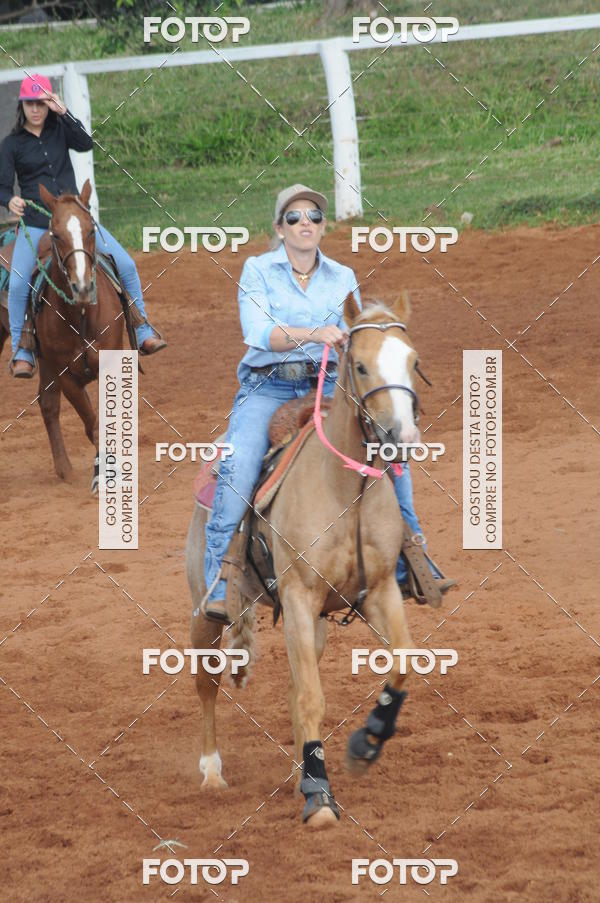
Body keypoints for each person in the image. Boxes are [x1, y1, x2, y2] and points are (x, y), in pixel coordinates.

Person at [202, 183, 455, 623]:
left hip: (330, 384)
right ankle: (221, 577)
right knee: (239, 462)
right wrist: (316, 334)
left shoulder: (342, 277)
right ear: (280, 228)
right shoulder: (257, 270)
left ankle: (411, 555)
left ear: (323, 227)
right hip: (269, 386)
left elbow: (356, 338)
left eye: (315, 217)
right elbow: (258, 334)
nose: (306, 224)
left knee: (390, 452)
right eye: (295, 217)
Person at [0, 74, 166, 379]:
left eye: (42, 102)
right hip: (38, 223)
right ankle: (22, 349)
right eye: (30, 103)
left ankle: (142, 329)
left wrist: (63, 112)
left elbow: (85, 143)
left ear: (49, 103)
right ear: (21, 106)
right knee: (20, 282)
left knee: (127, 265)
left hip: (75, 218)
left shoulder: (61, 130)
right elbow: (1, 187)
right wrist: (10, 200)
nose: (36, 109)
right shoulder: (11, 145)